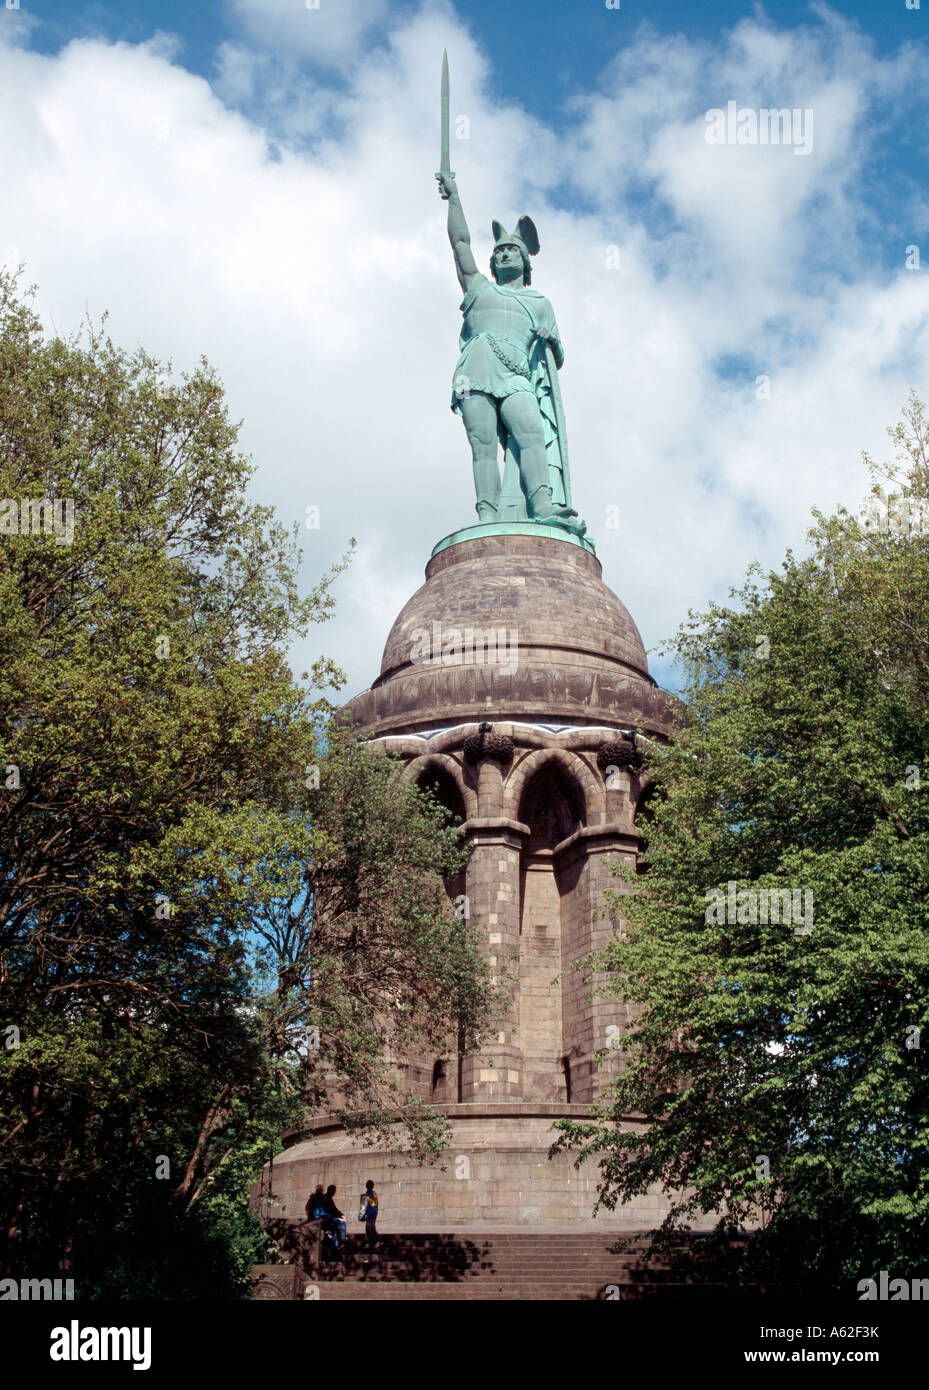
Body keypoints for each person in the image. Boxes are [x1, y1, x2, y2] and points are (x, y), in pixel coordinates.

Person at [321, 1184, 347, 1251]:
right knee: (341, 1223)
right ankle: (340, 1243)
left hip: (327, 1219)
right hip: (326, 1220)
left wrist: (340, 1214)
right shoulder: (327, 1199)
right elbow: (333, 1210)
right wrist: (341, 1215)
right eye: (333, 1191)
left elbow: (334, 1209)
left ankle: (337, 1244)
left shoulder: (327, 1198)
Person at [360, 1179, 379, 1248]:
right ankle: (371, 1241)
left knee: (370, 1227)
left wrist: (361, 1216)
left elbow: (363, 1207)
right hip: (371, 1214)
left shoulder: (367, 1195)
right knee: (370, 1227)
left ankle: (374, 1241)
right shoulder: (371, 1194)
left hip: (370, 1214)